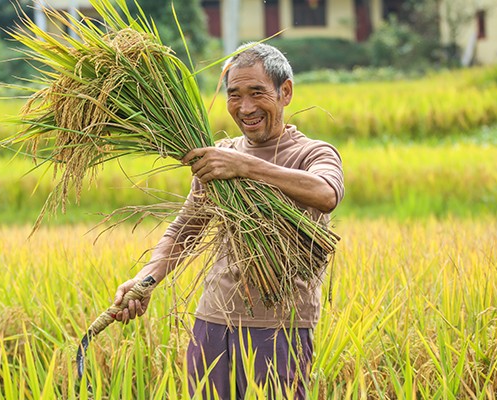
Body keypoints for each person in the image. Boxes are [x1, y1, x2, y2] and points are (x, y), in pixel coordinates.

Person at [112, 43, 344, 399]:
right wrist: (146, 280)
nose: (245, 107)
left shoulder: (312, 152)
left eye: (257, 93)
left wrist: (245, 167)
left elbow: (326, 194)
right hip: (212, 320)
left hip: (279, 325)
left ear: (286, 92)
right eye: (234, 95)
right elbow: (185, 229)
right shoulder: (219, 157)